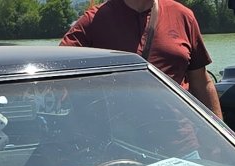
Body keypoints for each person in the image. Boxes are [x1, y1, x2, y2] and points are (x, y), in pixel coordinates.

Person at [59, 0, 223, 120]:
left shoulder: (183, 16)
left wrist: (221, 140)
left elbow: (202, 82)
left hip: (182, 144)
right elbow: (56, 70)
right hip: (120, 145)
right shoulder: (93, 21)